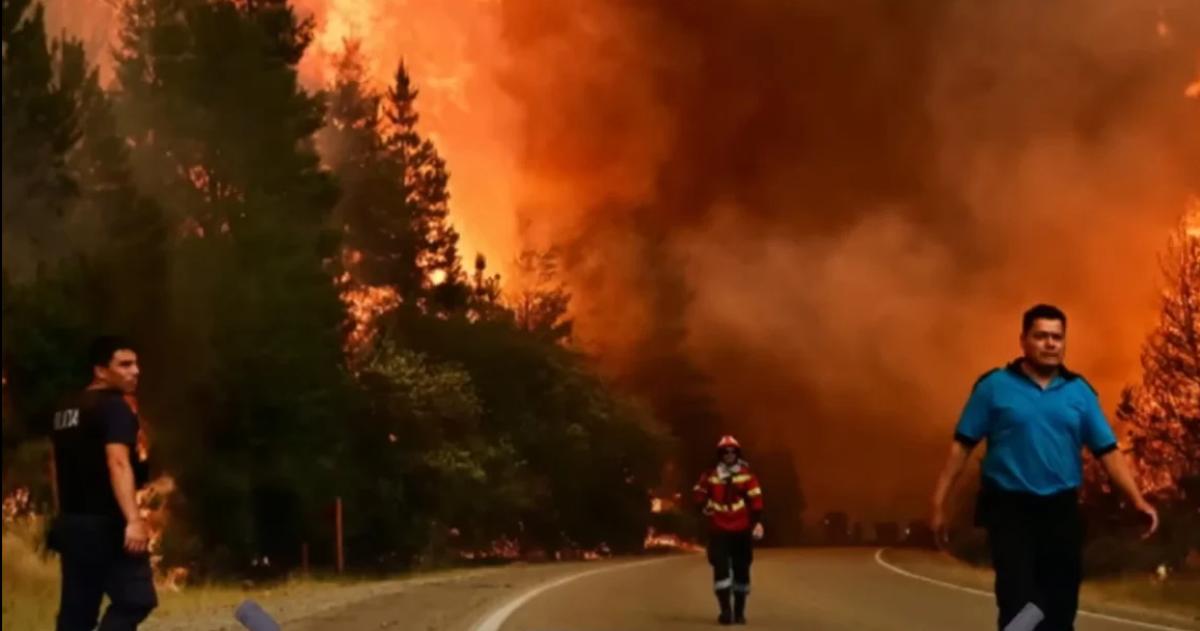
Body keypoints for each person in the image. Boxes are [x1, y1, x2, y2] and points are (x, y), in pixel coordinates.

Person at [931, 304, 1158, 631]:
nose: (1050, 344)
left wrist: (1137, 500)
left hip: (1060, 509)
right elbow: (961, 448)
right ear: (1023, 340)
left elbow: (1108, 452)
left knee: (1060, 602)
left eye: (1057, 337)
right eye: (1041, 336)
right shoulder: (993, 387)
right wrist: (939, 502)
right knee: (1019, 599)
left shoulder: (1079, 392)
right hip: (1009, 509)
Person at [48, 336, 157, 631]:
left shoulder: (64, 410)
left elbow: (56, 465)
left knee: (77, 614)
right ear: (100, 370)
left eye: (135, 364)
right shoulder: (114, 408)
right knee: (136, 599)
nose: (135, 371)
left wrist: (62, 517)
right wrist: (133, 520)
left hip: (74, 525)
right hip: (108, 525)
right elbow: (118, 462)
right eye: (124, 364)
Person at [693, 435, 765, 626]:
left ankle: (740, 612)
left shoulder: (747, 474)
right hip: (718, 529)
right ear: (720, 454)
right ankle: (726, 611)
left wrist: (757, 522)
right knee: (721, 569)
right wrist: (703, 505)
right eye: (725, 452)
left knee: (742, 570)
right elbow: (698, 494)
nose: (729, 455)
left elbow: (756, 500)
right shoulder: (709, 475)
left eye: (733, 451)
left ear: (737, 453)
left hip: (741, 529)